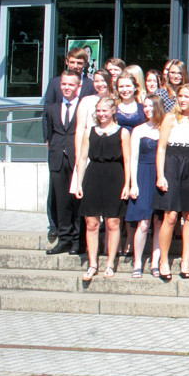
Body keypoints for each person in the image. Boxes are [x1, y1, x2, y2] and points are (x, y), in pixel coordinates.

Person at [74, 97, 130, 281]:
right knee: (91, 223)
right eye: (99, 111)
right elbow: (82, 158)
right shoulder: (90, 132)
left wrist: (127, 184)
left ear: (113, 111)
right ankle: (92, 264)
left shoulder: (122, 132)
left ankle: (110, 263)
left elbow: (128, 160)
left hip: (115, 175)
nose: (101, 114)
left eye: (105, 110)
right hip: (93, 175)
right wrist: (78, 183)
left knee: (113, 223)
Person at [153, 83, 189, 281]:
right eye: (180, 96)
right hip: (172, 165)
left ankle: (185, 260)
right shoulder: (170, 118)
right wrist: (160, 175)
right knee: (170, 215)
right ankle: (163, 260)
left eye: (187, 96)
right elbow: (162, 148)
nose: (182, 100)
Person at [44, 69, 83, 255]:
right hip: (58, 159)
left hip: (77, 159)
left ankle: (77, 240)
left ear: (78, 86)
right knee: (61, 201)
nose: (66, 87)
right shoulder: (52, 108)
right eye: (64, 84)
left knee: (77, 201)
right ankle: (64, 239)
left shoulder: (83, 107)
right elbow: (49, 135)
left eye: (70, 84)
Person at [125, 95, 163, 277]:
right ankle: (137, 261)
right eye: (145, 106)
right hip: (143, 174)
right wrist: (133, 183)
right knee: (143, 222)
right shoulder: (138, 130)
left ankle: (156, 262)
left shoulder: (166, 128)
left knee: (159, 222)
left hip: (161, 175)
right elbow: (133, 158)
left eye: (151, 106)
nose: (147, 109)